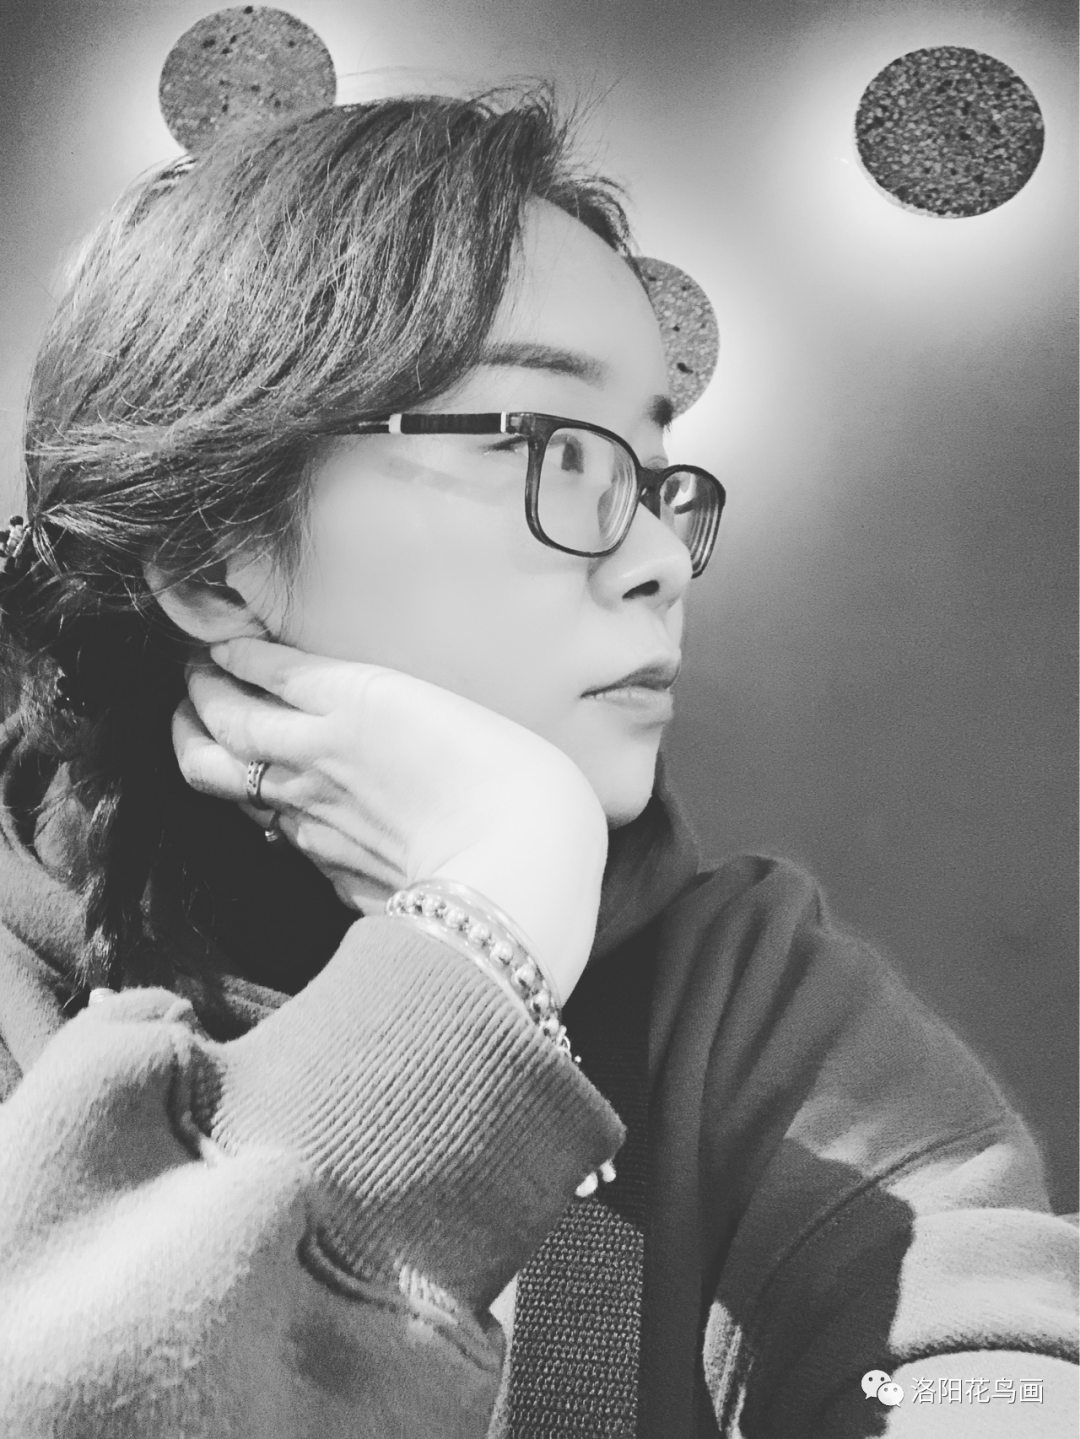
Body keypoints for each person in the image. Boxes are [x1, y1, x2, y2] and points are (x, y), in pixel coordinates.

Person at [0, 88, 1074, 1439]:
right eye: (558, 452)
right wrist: (481, 936)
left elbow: (992, 1359)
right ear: (216, 563)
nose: (659, 557)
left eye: (658, 475)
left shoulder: (748, 1002)